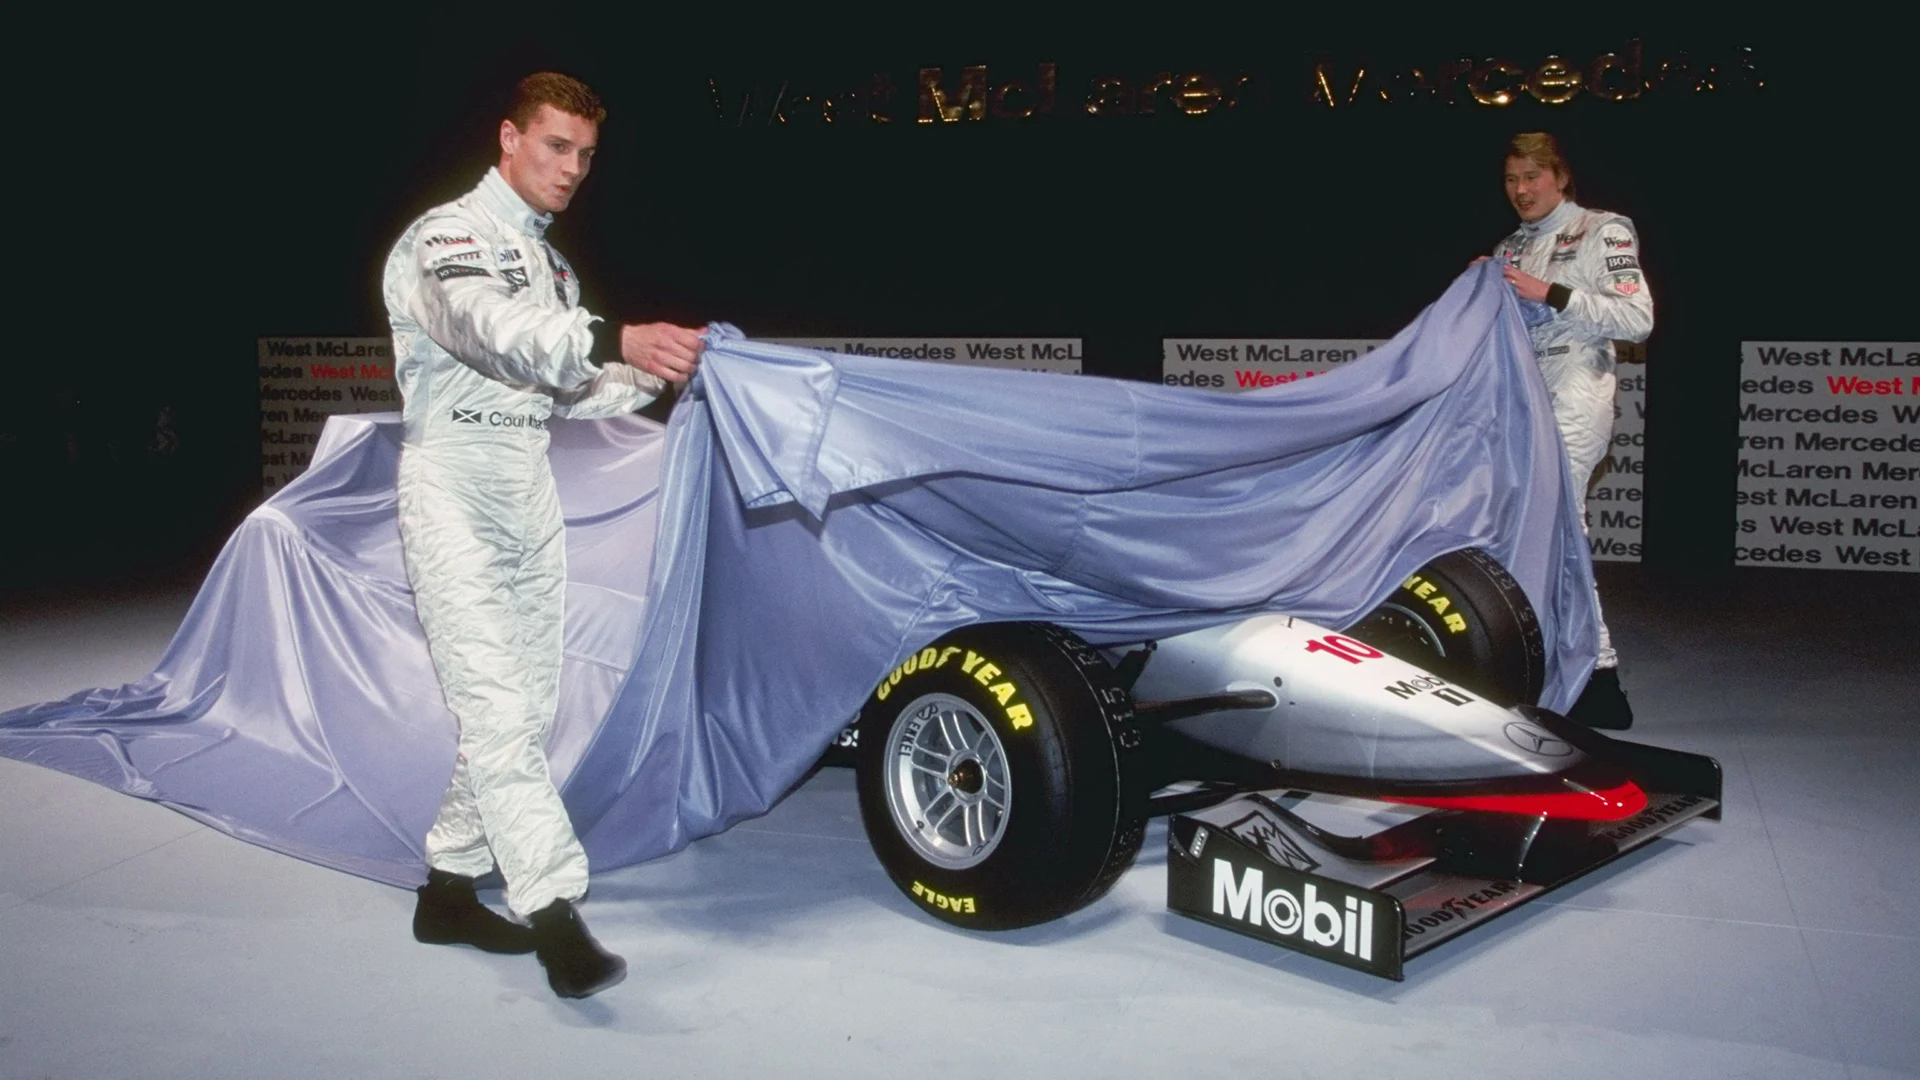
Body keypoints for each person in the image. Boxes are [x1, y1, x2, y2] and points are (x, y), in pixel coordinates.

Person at [382, 72, 705, 998]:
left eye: (587, 156)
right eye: (557, 147)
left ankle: (447, 891)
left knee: (521, 707)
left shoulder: (554, 270)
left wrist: (655, 372)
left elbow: (570, 390)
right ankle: (556, 914)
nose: (572, 169)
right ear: (509, 138)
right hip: (450, 484)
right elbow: (489, 330)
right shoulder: (445, 236)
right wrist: (614, 336)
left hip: (526, 488)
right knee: (493, 705)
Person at [1490, 132, 1652, 729]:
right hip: (1521, 401)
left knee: (1562, 525)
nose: (1521, 189)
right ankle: (1552, 666)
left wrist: (1551, 292)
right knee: (1527, 532)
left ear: (1560, 177)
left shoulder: (1603, 229)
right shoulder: (1509, 247)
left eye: (1532, 176)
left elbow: (1637, 318)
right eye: (1511, 179)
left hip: (1576, 394)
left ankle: (1598, 675)